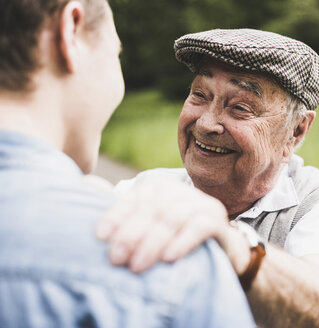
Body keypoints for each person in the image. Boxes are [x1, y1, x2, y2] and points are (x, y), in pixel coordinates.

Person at [0, 2, 255, 327]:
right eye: (115, 52)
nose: (207, 124)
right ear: (71, 31)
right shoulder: (172, 265)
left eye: (241, 107)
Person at [97, 29, 319, 328]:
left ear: (297, 131)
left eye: (240, 107)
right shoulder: (143, 190)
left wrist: (232, 244)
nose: (206, 123)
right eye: (199, 95)